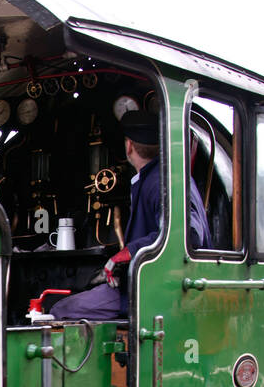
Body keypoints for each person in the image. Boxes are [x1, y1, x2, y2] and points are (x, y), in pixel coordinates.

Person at [50, 110, 211, 321]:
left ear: (129, 145)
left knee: (60, 310)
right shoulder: (160, 178)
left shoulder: (162, 182)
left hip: (153, 291)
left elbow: (188, 234)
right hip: (151, 287)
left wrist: (128, 252)